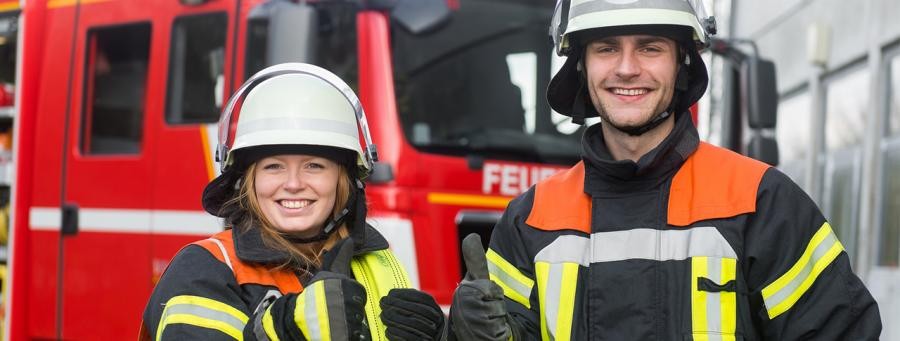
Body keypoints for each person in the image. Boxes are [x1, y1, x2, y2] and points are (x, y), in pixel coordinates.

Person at [448, 0, 882, 340]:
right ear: (580, 65)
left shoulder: (761, 201)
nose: (626, 68)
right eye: (606, 48)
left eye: (650, 47)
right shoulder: (530, 218)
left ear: (683, 62)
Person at [141, 63, 446, 340]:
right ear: (249, 181)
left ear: (346, 181)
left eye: (314, 165)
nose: (294, 183)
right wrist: (280, 333)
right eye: (273, 166)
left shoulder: (379, 262)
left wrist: (454, 333)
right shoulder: (206, 270)